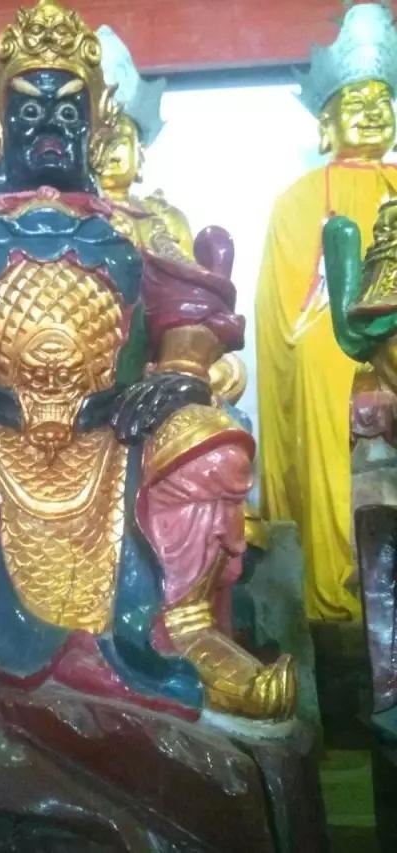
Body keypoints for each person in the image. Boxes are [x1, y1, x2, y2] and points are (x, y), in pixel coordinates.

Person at [0, 0, 295, 721]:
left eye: (68, 109)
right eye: (29, 108)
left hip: (116, 441)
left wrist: (179, 373)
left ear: (97, 122)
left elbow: (193, 316)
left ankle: (187, 625)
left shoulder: (138, 226)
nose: (49, 124)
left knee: (215, 440)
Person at [256, 2, 397, 621]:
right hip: (337, 333)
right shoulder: (300, 199)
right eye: (355, 101)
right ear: (325, 124)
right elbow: (287, 314)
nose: (372, 111)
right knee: (323, 357)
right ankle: (338, 579)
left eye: (382, 100)